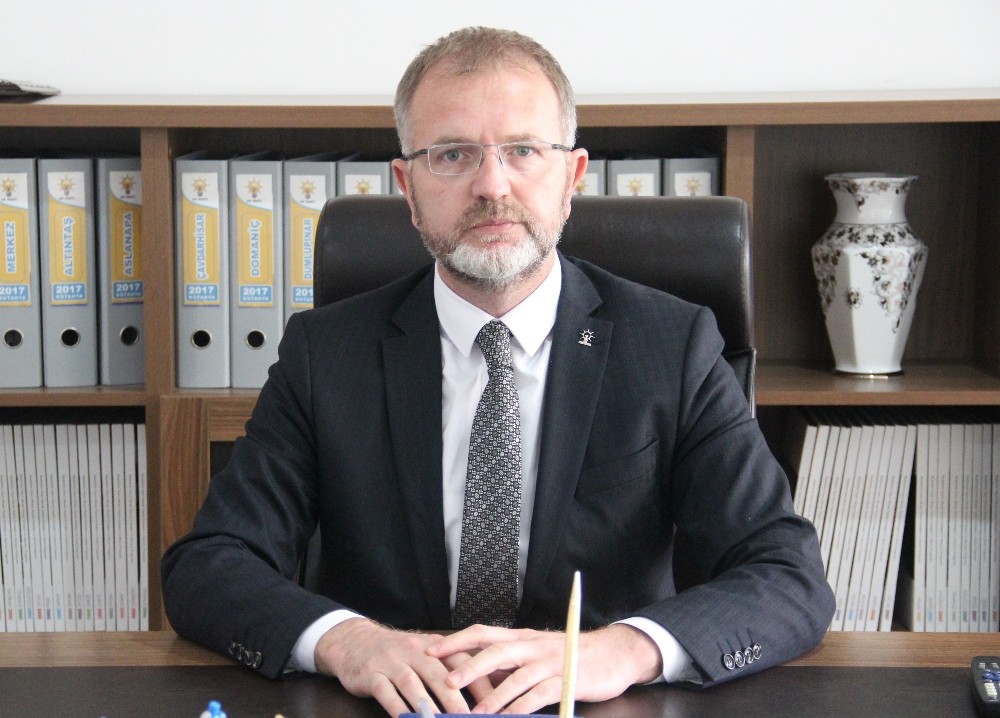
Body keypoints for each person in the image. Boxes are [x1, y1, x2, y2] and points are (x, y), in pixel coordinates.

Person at [161, 25, 835, 717]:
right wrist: (347, 641)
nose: (492, 185)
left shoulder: (672, 346)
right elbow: (209, 564)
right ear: (408, 187)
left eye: (523, 150)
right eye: (452, 155)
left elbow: (786, 575)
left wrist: (621, 651)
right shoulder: (325, 353)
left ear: (572, 176)